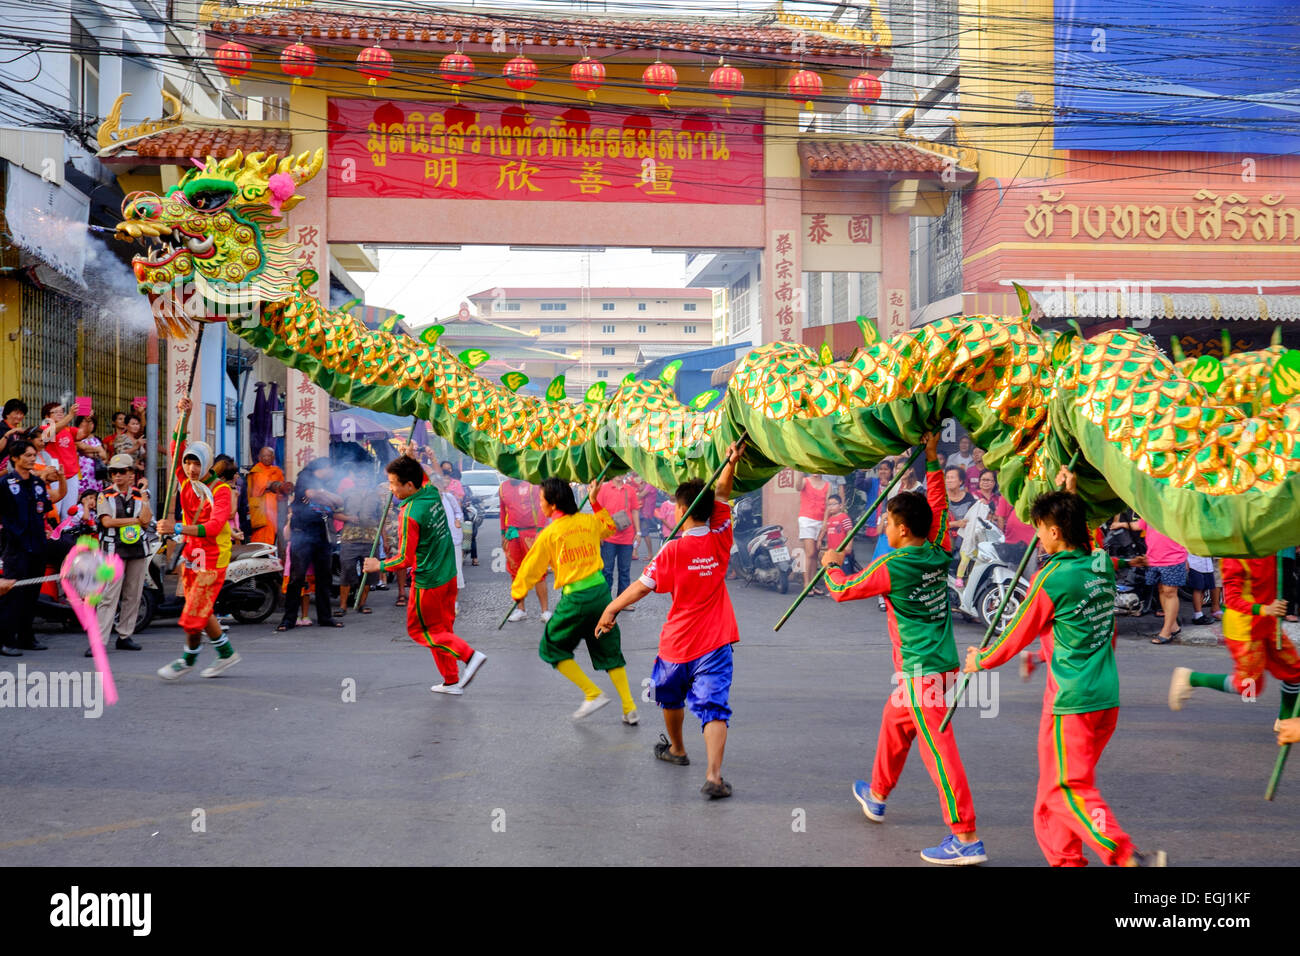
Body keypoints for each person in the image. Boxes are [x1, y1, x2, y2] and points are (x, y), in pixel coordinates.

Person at [968, 473, 1164, 867]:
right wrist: (1070, 495)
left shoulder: (1052, 579)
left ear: (1055, 531)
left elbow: (1015, 635)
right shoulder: (1100, 564)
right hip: (1105, 698)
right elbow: (1088, 546)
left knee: (1063, 790)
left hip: (1071, 703)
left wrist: (980, 660)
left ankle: (1121, 851)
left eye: (1040, 529)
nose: (1037, 537)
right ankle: (1066, 861)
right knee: (1052, 796)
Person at [821, 432, 986, 866]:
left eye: (888, 522)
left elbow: (842, 591)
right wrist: (931, 459)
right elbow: (940, 507)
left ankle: (965, 835)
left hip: (921, 671)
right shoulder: (936, 549)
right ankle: (876, 794)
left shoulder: (892, 566)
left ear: (903, 529)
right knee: (894, 722)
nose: (883, 527)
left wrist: (830, 566)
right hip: (939, 664)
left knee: (939, 750)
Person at [598, 442, 744, 797]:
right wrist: (732, 461)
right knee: (714, 709)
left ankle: (677, 749)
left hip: (677, 645)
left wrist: (611, 609)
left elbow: (640, 587)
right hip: (715, 642)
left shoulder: (671, 551)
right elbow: (723, 490)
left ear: (680, 509)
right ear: (710, 511)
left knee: (670, 696)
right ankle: (714, 776)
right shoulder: (721, 535)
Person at [512, 476, 637, 722]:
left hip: (577, 599)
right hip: (602, 595)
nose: (540, 504)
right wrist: (594, 502)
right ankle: (629, 707)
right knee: (608, 648)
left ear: (553, 503)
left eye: (542, 500)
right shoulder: (589, 521)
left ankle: (592, 693)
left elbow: (530, 568)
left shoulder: (550, 533)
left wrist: (518, 591)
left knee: (551, 648)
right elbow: (610, 527)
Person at [365, 455, 486, 696]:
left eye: (393, 483)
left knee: (421, 631)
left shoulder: (408, 513)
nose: (391, 489)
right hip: (448, 574)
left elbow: (404, 560)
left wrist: (377, 565)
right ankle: (451, 680)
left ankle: (469, 655)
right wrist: (410, 455)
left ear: (409, 485)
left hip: (428, 581)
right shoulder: (430, 491)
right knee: (442, 630)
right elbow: (422, 472)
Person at [154, 412, 241, 680]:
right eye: (188, 462)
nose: (191, 468)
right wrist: (185, 414)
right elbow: (176, 443)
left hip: (214, 557)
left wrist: (177, 528)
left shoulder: (221, 491)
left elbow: (215, 527)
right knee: (199, 608)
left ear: (206, 464)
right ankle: (226, 654)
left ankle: (187, 659)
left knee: (193, 614)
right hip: (192, 554)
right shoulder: (183, 481)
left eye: (196, 463)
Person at [1168, 554, 1299, 728]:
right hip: (1245, 630)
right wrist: (1264, 608)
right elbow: (1232, 599)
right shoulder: (1236, 555)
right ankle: (1192, 678)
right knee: (1250, 689)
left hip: (1269, 624)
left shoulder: (1268, 546)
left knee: (1294, 671)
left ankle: (1286, 721)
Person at [90, 453, 152, 655]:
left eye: (122, 471)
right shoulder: (104, 495)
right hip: (112, 549)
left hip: (137, 549)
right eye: (114, 472)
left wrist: (144, 497)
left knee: (133, 595)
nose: (117, 475)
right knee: (109, 595)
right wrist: (135, 521)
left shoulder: (139, 494)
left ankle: (125, 635)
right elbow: (107, 521)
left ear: (131, 474)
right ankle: (99, 641)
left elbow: (147, 518)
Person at [0, 440, 55, 655]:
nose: (33, 458)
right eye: (28, 455)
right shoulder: (5, 483)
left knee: (31, 594)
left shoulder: (37, 483)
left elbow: (46, 509)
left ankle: (26, 637)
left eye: (34, 455)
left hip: (38, 546)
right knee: (12, 595)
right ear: (15, 458)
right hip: (16, 548)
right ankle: (5, 640)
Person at [276, 457, 343, 631]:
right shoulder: (305, 476)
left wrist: (324, 494)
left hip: (323, 535)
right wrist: (325, 497)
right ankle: (288, 619)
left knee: (324, 578)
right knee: (296, 578)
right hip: (302, 534)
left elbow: (339, 501)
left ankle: (325, 617)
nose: (333, 473)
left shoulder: (327, 483)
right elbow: (311, 494)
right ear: (325, 467)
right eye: (331, 469)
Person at [501, 477, 551, 623]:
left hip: (531, 533)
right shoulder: (503, 487)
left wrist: (540, 532)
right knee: (515, 573)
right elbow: (503, 512)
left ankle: (545, 611)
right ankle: (520, 609)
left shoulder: (532, 485)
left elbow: (542, 508)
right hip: (512, 534)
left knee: (538, 572)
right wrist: (503, 534)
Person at [1133, 517, 1188, 644]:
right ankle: (1173, 625)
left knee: (1169, 592)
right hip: (1153, 558)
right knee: (1162, 591)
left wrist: (1187, 557)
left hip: (1173, 558)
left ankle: (1166, 631)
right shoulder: (1149, 510)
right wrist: (1120, 524)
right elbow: (1140, 525)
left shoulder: (1176, 510)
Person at [337, 474, 385, 616]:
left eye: (365, 477)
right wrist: (348, 518)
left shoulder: (376, 496)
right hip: (350, 538)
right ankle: (343, 606)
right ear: (356, 479)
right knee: (346, 570)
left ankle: (362, 604)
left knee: (369, 573)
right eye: (360, 477)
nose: (363, 479)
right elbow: (335, 514)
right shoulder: (346, 494)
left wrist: (385, 541)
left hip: (371, 539)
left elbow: (381, 519)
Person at [596, 473, 640, 600]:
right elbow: (599, 512)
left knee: (625, 571)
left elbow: (635, 511)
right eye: (617, 472)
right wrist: (600, 533)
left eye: (622, 472)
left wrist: (638, 532)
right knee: (607, 571)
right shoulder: (604, 489)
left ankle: (623, 601)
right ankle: (605, 600)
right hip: (608, 537)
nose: (620, 475)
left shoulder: (630, 490)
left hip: (627, 537)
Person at [42, 401, 80, 522]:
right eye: (56, 412)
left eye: (61, 411)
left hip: (72, 475)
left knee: (69, 512)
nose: (60, 414)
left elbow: (83, 433)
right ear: (47, 417)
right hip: (55, 475)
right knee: (55, 510)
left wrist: (89, 420)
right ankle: (53, 536)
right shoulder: (45, 428)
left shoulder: (68, 429)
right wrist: (70, 416)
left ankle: (66, 537)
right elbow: (49, 433)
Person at [795, 471, 831, 595]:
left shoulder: (827, 485)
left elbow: (827, 505)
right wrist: (799, 472)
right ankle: (806, 584)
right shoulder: (805, 481)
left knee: (815, 554)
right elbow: (798, 487)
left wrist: (825, 523)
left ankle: (813, 584)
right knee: (809, 552)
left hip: (820, 521)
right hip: (806, 519)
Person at [247, 447, 288, 547]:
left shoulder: (276, 470)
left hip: (276, 508)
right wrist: (271, 486)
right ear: (259, 457)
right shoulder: (257, 470)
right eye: (263, 456)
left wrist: (273, 486)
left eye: (269, 456)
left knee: (275, 533)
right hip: (261, 509)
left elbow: (282, 487)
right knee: (262, 535)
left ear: (273, 457)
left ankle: (271, 555)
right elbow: (259, 487)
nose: (266, 458)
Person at [818, 494, 858, 575]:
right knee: (834, 573)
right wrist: (820, 540)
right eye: (829, 505)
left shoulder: (844, 517)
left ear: (840, 505)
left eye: (834, 504)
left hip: (843, 553)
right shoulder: (829, 520)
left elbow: (850, 532)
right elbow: (826, 533)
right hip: (832, 553)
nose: (831, 507)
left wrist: (849, 546)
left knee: (845, 574)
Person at [75, 415, 107, 496]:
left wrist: (90, 451)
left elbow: (103, 455)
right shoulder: (76, 438)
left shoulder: (97, 440)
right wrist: (97, 450)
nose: (89, 425)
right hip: (81, 476)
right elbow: (83, 448)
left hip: (95, 476)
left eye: (91, 422)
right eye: (85, 422)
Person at [1187, 554, 1219, 625]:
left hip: (1207, 565)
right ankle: (1198, 615)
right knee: (1198, 589)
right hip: (1194, 564)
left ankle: (1199, 614)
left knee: (1203, 589)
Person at [114, 414, 147, 481]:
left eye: (137, 424)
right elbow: (120, 454)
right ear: (126, 426)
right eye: (133, 424)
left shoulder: (138, 439)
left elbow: (142, 456)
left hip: (135, 474)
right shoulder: (121, 438)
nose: (135, 426)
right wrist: (136, 447)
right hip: (123, 473)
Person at [635, 477, 658, 561]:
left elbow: (641, 495)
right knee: (638, 531)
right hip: (642, 510)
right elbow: (640, 489)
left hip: (646, 512)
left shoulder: (650, 485)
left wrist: (631, 496)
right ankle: (635, 552)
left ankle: (650, 554)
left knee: (645, 533)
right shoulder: (646, 483)